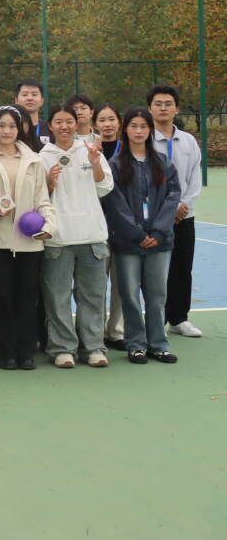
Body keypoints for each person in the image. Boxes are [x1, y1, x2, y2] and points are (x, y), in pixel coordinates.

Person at [0, 106, 55, 370]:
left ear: (20, 128)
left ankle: (26, 352)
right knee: (2, 297)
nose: (6, 131)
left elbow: (42, 200)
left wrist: (49, 226)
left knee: (28, 297)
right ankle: (6, 353)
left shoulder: (34, 159)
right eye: (1, 125)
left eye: (12, 126)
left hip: (30, 241)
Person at [102, 107, 181, 364]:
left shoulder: (163, 163)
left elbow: (173, 196)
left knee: (157, 296)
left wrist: (158, 231)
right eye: (133, 126)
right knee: (129, 295)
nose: (138, 131)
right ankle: (136, 344)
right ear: (125, 130)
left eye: (143, 126)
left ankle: (158, 344)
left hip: (160, 242)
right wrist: (136, 233)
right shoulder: (115, 165)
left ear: (150, 130)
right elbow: (114, 203)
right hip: (128, 242)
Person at [40, 103, 114, 369]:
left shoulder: (90, 150)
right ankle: (62, 349)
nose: (64, 126)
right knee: (57, 298)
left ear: (77, 123)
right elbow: (37, 198)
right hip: (58, 239)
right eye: (58, 122)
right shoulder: (42, 157)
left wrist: (95, 163)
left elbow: (105, 186)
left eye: (69, 121)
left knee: (93, 296)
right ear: (50, 126)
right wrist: (49, 183)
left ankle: (93, 347)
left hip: (92, 237)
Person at [147, 85, 203, 339]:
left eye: (168, 104)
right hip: (155, 216)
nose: (163, 108)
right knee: (155, 271)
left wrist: (183, 205)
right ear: (150, 109)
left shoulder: (188, 141)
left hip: (184, 216)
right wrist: (167, 208)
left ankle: (179, 318)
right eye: (158, 104)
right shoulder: (144, 139)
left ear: (177, 109)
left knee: (182, 267)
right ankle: (156, 319)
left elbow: (194, 177)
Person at [93, 103, 126, 349]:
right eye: (102, 120)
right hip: (96, 224)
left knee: (121, 281)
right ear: (95, 124)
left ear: (119, 123)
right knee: (95, 283)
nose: (107, 124)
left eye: (111, 119)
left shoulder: (128, 150)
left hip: (123, 225)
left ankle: (117, 332)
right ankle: (95, 331)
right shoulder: (87, 150)